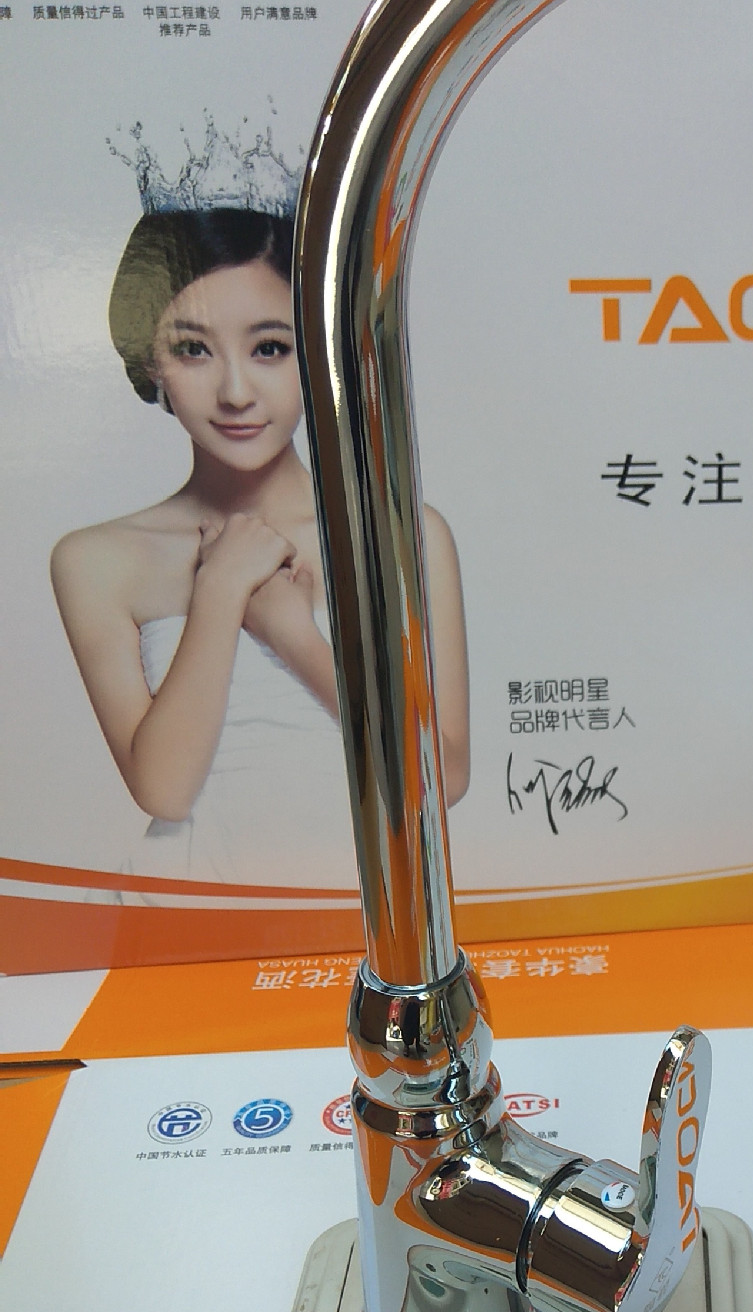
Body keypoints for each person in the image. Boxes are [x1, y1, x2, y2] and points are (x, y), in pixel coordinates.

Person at [51, 208, 469, 887]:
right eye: (193, 350)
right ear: (150, 362)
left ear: (317, 351)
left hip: (374, 909)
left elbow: (443, 779)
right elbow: (164, 792)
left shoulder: (404, 537)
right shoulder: (98, 559)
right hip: (191, 911)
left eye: (269, 348)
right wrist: (219, 590)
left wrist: (293, 636)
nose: (236, 393)